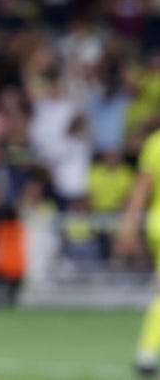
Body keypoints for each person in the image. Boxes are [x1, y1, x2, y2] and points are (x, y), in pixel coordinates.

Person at [115, 125, 160, 377]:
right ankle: (146, 354)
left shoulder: (155, 142)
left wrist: (129, 225)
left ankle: (146, 354)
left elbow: (142, 187)